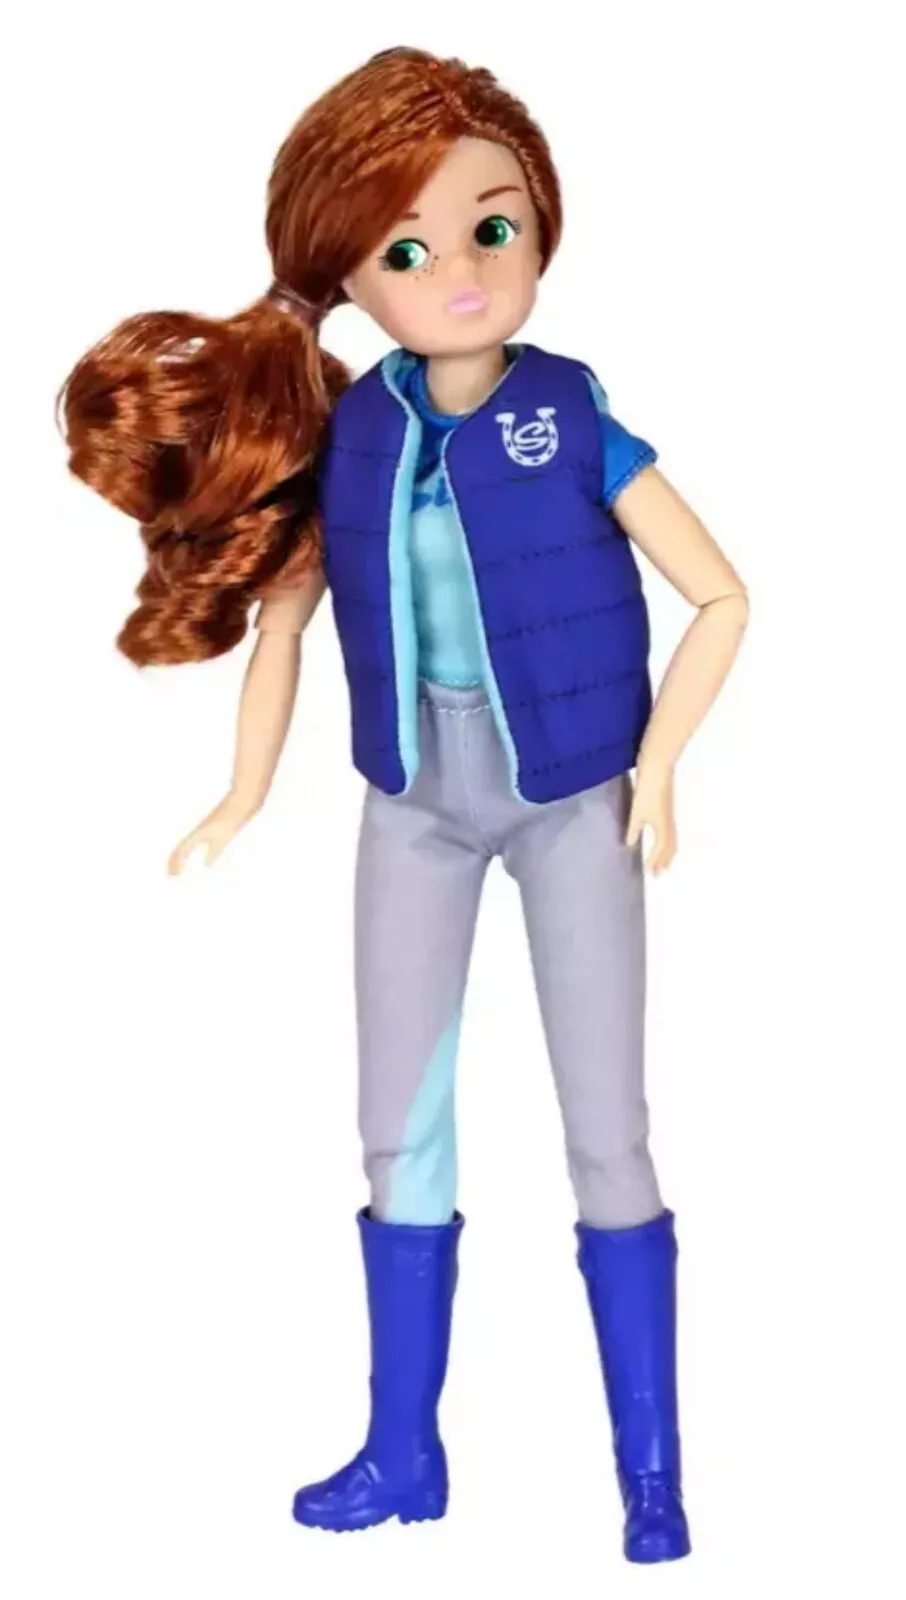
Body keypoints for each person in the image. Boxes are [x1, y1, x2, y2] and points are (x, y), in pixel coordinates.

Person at [59, 46, 749, 1565]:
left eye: (492, 227)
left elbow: (720, 595)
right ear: (349, 276)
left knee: (607, 1129)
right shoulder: (352, 434)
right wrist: (243, 791)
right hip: (412, 805)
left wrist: (659, 764)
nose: (459, 272)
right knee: (398, 1129)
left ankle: (649, 1476)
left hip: (574, 797)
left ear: (541, 225)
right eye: (405, 249)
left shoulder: (570, 414)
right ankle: (401, 1450)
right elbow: (288, 629)